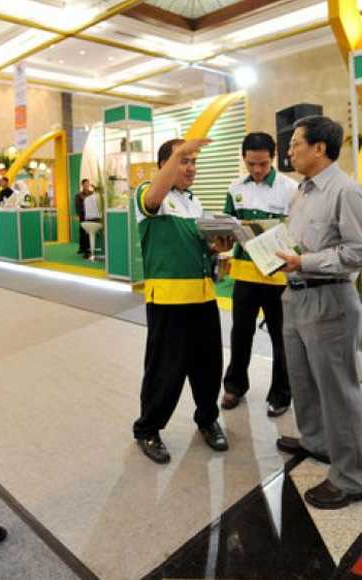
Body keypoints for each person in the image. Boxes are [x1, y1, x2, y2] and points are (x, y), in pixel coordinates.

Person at [274, 115, 362, 509]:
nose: (289, 150)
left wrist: (306, 262)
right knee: (302, 380)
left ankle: (351, 478)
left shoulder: (345, 191)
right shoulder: (302, 191)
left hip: (330, 299)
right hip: (296, 296)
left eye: (296, 143)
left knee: (338, 391)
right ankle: (316, 442)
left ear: (320, 148)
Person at [132, 138, 233, 464]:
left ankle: (207, 419)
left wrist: (217, 247)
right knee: (165, 370)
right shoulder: (149, 194)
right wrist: (177, 153)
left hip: (203, 298)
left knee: (208, 366)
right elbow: (152, 199)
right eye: (182, 161)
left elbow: (200, 247)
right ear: (164, 166)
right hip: (168, 302)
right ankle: (148, 429)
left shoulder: (194, 202)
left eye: (193, 161)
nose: (190, 168)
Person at [221, 132, 298, 417]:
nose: (257, 169)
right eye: (251, 163)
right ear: (243, 158)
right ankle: (234, 386)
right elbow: (227, 227)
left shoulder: (290, 189)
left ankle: (281, 394)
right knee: (241, 333)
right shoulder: (234, 188)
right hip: (245, 275)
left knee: (282, 337)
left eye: (263, 164)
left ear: (273, 158)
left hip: (278, 276)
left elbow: (298, 231)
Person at [76, 179, 92, 256]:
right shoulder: (79, 195)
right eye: (85, 184)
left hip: (91, 216)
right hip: (83, 216)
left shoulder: (92, 194)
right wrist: (79, 215)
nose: (87, 185)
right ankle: (81, 248)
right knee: (82, 232)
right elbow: (77, 206)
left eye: (88, 184)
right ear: (82, 185)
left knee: (87, 233)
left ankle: (87, 250)